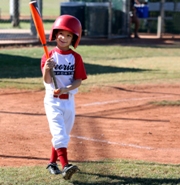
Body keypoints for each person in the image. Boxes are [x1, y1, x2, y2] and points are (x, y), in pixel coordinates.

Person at [41, 15, 87, 180]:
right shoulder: (49, 56)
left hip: (69, 101)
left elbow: (78, 80)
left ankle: (52, 163)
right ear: (55, 34)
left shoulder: (76, 58)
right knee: (59, 133)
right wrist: (47, 68)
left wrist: (66, 88)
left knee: (63, 135)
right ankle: (66, 166)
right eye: (61, 33)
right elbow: (46, 80)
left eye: (69, 35)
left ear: (74, 39)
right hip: (52, 101)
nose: (64, 38)